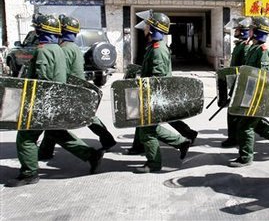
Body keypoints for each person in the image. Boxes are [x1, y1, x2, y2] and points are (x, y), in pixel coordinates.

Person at [6, 14, 104, 187]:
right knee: (55, 132)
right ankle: (91, 155)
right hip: (57, 98)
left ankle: (29, 173)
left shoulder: (43, 50)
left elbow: (42, 80)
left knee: (25, 137)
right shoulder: (58, 48)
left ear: (39, 30)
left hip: (44, 101)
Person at [38, 15, 116, 160]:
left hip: (72, 89)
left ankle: (104, 142)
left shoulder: (65, 49)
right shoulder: (72, 47)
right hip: (79, 87)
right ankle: (45, 151)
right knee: (81, 117)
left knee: (73, 119)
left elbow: (61, 72)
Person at [126, 14, 198, 155]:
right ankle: (139, 146)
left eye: (148, 26)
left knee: (148, 125)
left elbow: (157, 76)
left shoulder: (158, 49)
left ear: (153, 29)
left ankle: (181, 142)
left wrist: (148, 94)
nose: (145, 28)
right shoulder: (154, 46)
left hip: (154, 93)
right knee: (142, 120)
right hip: (152, 92)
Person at [229, 16, 269, 167]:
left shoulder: (263, 52)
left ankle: (246, 157)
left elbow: (265, 79)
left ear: (257, 32)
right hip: (249, 93)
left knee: (245, 126)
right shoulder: (253, 49)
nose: (248, 31)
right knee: (255, 124)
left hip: (257, 96)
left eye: (251, 29)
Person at [221, 16, 251, 148]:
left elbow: (244, 69)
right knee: (233, 112)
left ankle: (234, 138)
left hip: (241, 84)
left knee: (235, 113)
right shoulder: (239, 45)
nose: (235, 32)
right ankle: (234, 137)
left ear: (243, 32)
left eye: (237, 30)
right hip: (235, 83)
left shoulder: (244, 47)